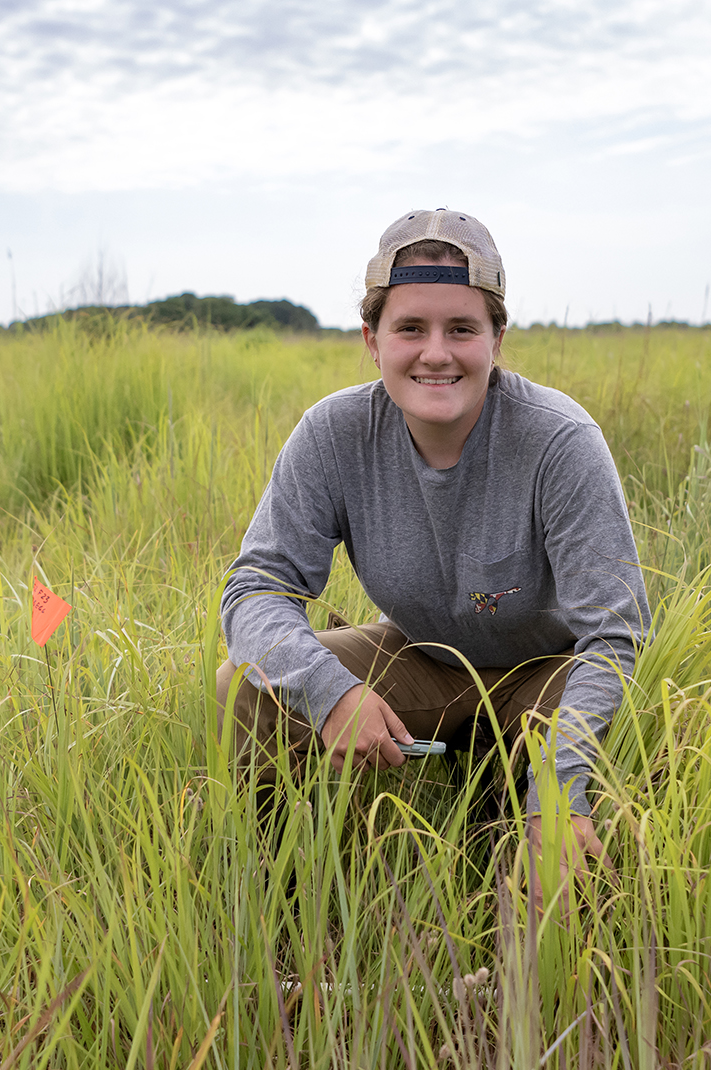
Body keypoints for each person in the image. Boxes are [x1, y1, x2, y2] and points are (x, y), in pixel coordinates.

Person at [216, 208, 650, 897]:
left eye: (462, 329)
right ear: (372, 339)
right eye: (410, 328)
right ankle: (295, 905)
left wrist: (559, 783)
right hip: (428, 657)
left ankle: (541, 968)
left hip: (548, 672)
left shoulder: (559, 442)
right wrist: (332, 695)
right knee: (246, 687)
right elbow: (257, 589)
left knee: (568, 834)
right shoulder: (333, 434)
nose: (436, 353)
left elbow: (614, 632)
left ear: (497, 339)